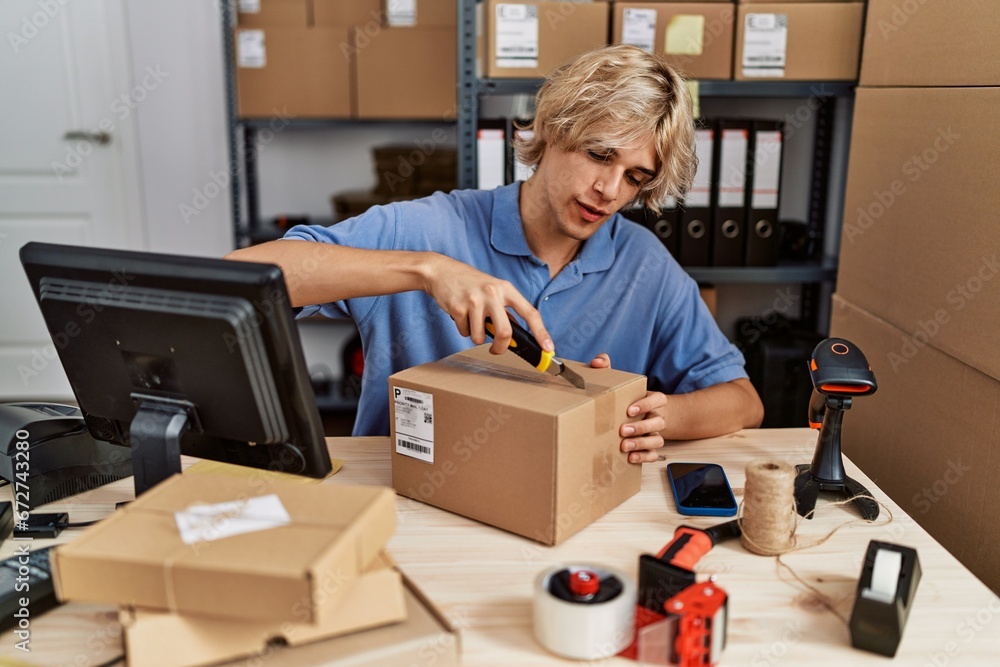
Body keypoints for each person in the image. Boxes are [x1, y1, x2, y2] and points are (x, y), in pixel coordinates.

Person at [226, 44, 763, 463]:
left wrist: (662, 416)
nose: (610, 190)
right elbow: (238, 279)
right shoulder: (427, 227)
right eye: (600, 155)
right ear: (553, 129)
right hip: (409, 504)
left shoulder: (643, 263)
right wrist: (426, 270)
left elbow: (743, 401)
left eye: (635, 177)